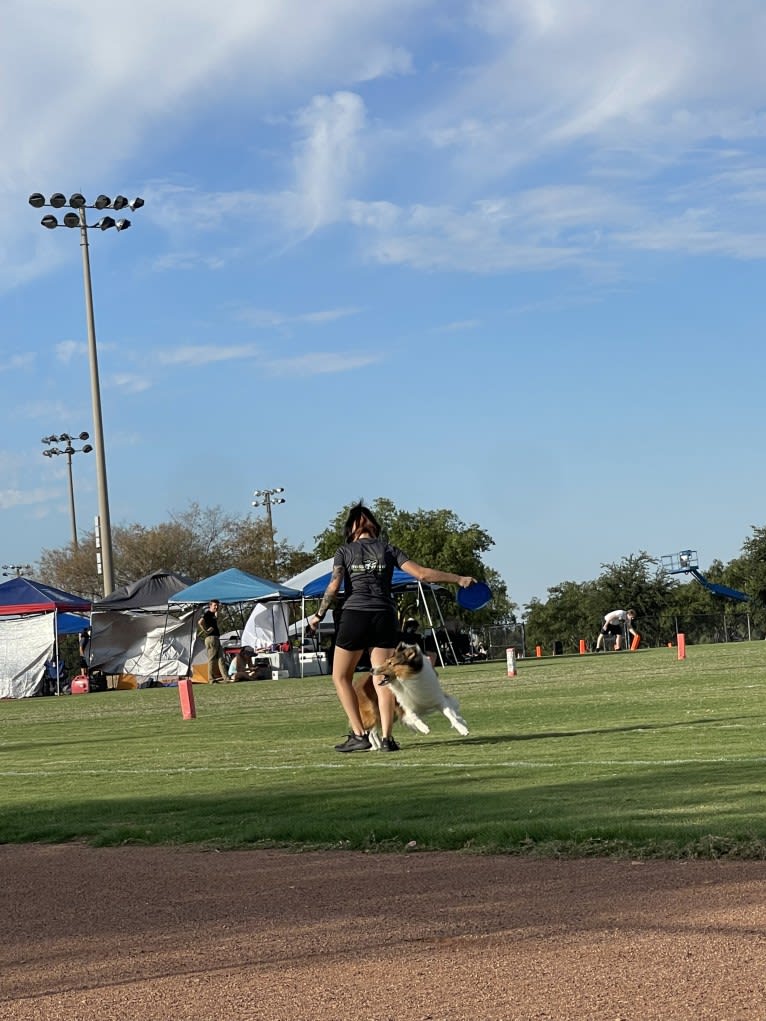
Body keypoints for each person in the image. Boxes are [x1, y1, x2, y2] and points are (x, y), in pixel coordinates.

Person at [308, 501, 476, 753]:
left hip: (355, 615)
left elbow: (334, 586)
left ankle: (359, 735)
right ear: (374, 526)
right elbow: (422, 574)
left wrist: (318, 616)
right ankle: (387, 738)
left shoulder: (345, 551)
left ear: (351, 528)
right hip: (384, 616)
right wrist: (459, 579)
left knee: (340, 677)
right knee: (383, 677)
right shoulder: (388, 549)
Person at [198, 599, 229, 683]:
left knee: (221, 659)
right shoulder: (208, 613)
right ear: (210, 606)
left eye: (217, 605)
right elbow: (200, 622)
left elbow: (218, 618)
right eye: (215, 605)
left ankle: (226, 678)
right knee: (212, 659)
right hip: (211, 638)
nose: (217, 607)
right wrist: (206, 631)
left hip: (216, 638)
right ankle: (211, 679)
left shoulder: (214, 615)